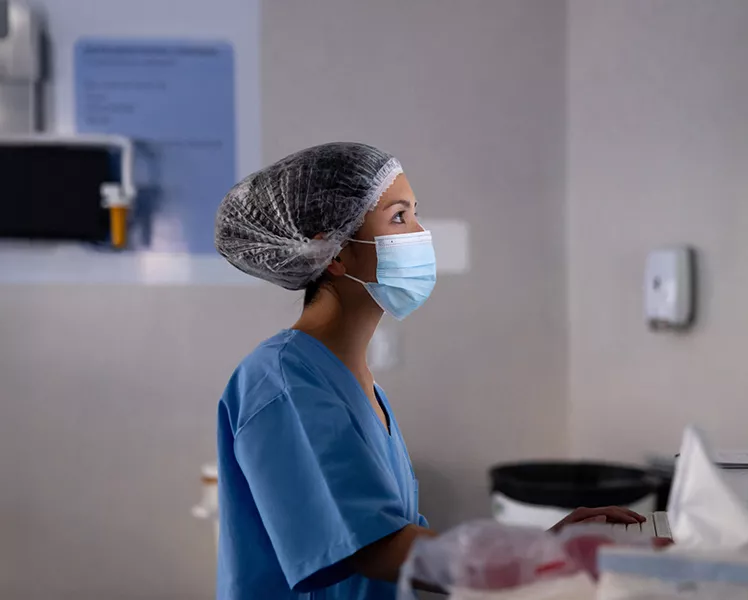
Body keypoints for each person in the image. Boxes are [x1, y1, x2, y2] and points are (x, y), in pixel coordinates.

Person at [212, 142, 644, 599]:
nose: (420, 233)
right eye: (400, 217)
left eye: (416, 214)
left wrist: (543, 546)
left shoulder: (353, 382)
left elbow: (401, 546)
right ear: (333, 251)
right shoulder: (285, 381)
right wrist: (541, 561)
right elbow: (377, 549)